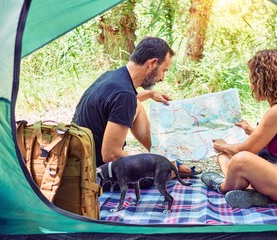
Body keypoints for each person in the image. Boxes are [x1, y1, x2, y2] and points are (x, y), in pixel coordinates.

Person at [201, 49, 277, 209]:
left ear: (264, 79)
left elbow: (247, 150)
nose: (251, 84)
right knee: (224, 158)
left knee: (241, 159)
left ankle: (221, 186)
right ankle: (257, 195)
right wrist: (250, 130)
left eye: (252, 79)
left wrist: (222, 144)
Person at [72, 36, 195, 181]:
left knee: (137, 106)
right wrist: (150, 163)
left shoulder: (113, 77)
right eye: (164, 70)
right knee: (165, 173)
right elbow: (111, 154)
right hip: (98, 174)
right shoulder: (124, 95)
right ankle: (164, 162)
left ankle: (162, 156)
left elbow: (118, 105)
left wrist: (149, 94)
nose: (162, 78)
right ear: (153, 63)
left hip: (78, 162)